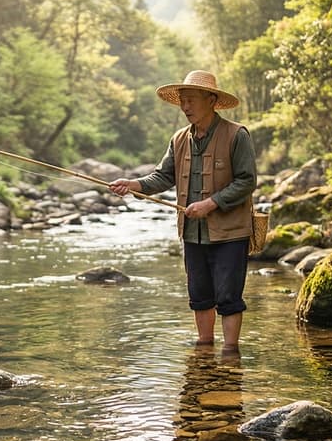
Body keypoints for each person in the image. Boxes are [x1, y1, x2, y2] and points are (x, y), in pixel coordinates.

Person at [109, 70, 256, 353]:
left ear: (211, 100)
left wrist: (210, 203)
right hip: (192, 233)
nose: (185, 107)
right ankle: (204, 351)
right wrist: (134, 184)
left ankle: (229, 357)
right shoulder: (178, 139)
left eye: (191, 100)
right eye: (182, 101)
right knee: (199, 296)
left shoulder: (237, 135)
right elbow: (163, 177)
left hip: (230, 233)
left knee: (228, 297)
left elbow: (247, 181)